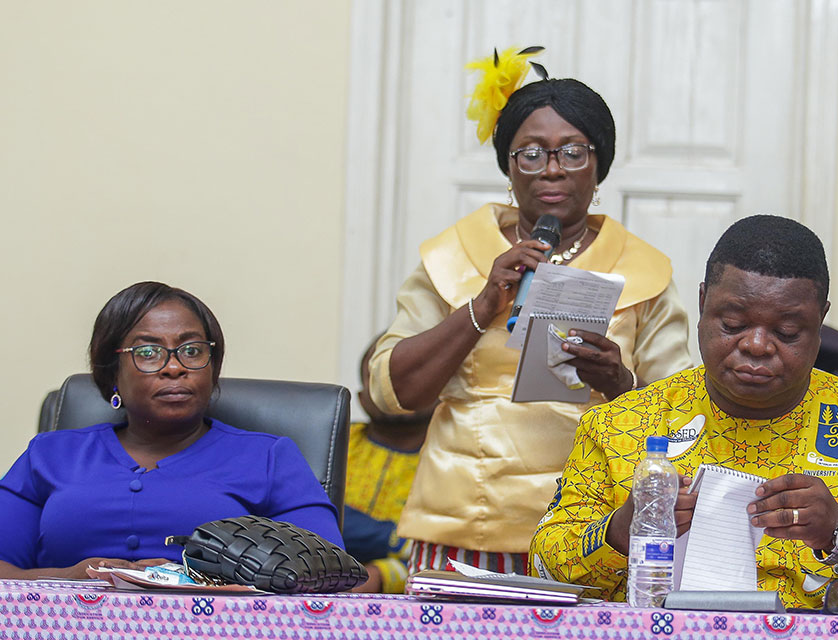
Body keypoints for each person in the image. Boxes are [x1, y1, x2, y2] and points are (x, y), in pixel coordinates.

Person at [530, 214, 838, 612]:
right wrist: (620, 532)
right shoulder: (617, 426)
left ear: (821, 320)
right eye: (733, 324)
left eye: (786, 331)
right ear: (702, 303)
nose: (756, 345)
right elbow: (542, 567)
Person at [368, 47, 692, 573]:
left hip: (591, 534)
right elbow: (391, 390)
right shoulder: (453, 255)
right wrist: (482, 305)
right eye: (532, 153)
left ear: (599, 165)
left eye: (572, 152)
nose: (552, 170)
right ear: (508, 166)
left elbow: (683, 426)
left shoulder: (645, 272)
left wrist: (619, 383)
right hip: (460, 528)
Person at [0, 282, 343, 579]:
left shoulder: (270, 458)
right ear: (111, 371)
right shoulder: (48, 455)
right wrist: (70, 578)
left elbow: (332, 574)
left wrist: (200, 581)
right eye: (148, 352)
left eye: (192, 351)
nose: (175, 367)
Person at [346, 335, 434, 593]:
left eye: (412, 373)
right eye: (381, 376)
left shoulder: (456, 461)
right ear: (361, 396)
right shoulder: (331, 443)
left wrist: (382, 575)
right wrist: (392, 538)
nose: (393, 389)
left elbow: (448, 556)